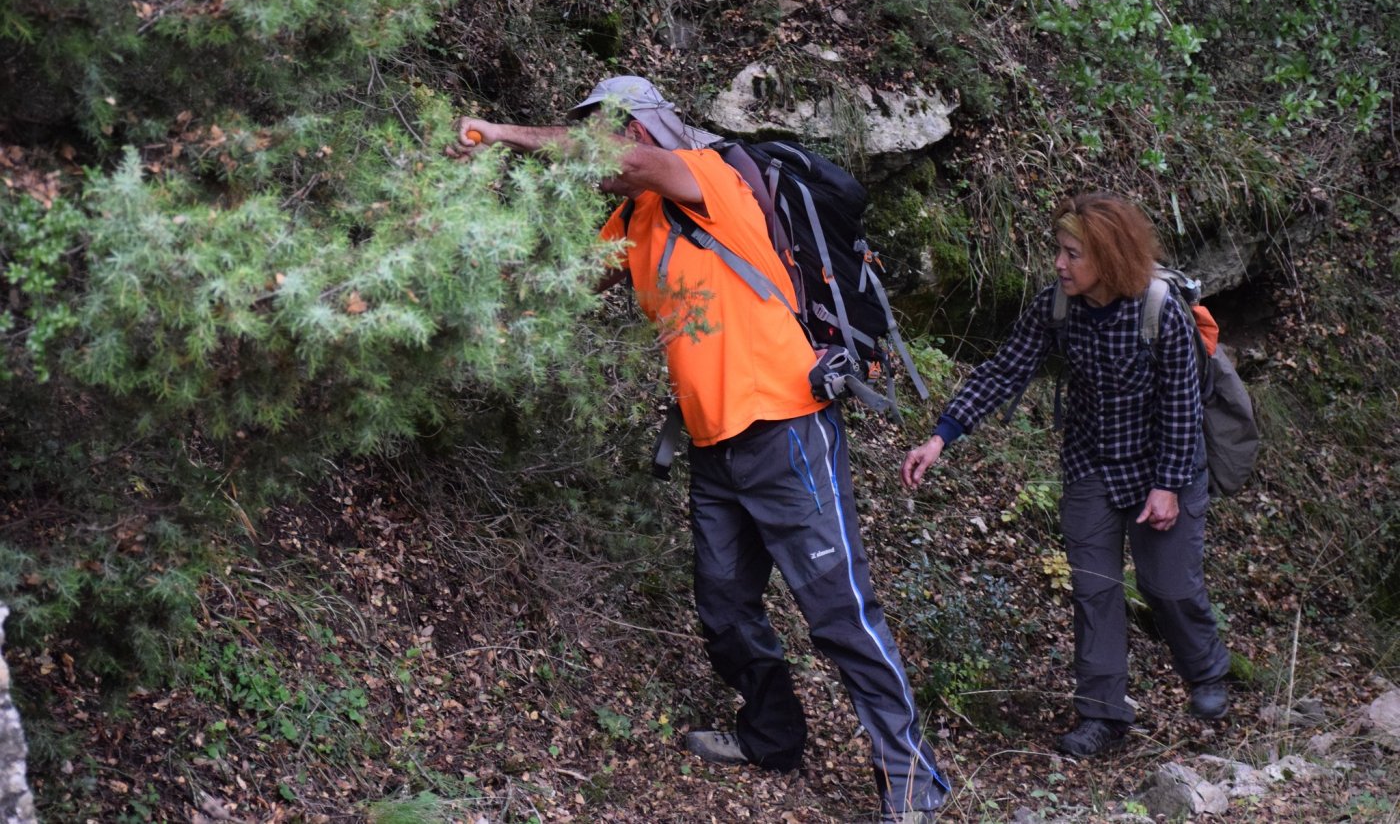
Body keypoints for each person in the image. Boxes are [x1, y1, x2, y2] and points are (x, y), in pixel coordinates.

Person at [446, 76, 950, 822]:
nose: (604, 149)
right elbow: (563, 277)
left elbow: (642, 166)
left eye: (614, 131)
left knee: (841, 612)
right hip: (714, 446)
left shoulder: (704, 179)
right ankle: (772, 734)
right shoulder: (633, 217)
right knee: (723, 606)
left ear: (647, 128)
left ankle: (913, 781)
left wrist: (502, 132)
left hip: (789, 428)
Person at [901, 191, 1232, 758]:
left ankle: (1207, 674)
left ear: (1109, 255)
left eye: (1073, 253)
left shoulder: (1161, 311)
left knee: (1167, 585)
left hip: (1164, 468)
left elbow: (1182, 408)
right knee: (1093, 591)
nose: (1059, 263)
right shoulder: (1056, 305)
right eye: (1059, 250)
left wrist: (1168, 486)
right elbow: (1007, 368)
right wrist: (941, 436)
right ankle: (1102, 715)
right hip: (1090, 468)